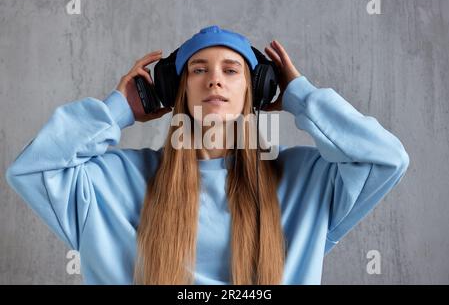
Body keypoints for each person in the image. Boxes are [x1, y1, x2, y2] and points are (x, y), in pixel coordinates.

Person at [6, 25, 409, 285]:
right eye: (198, 69)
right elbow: (33, 169)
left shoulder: (303, 182)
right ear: (176, 90)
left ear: (257, 90)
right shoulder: (115, 183)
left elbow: (386, 159)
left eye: (231, 70)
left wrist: (302, 98)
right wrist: (118, 110)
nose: (214, 78)